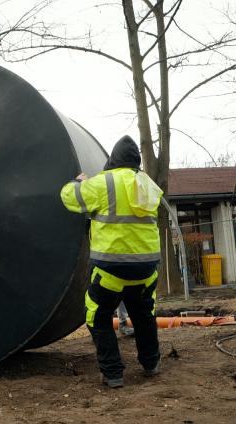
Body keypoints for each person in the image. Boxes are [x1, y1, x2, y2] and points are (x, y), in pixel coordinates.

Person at [60, 135, 163, 388]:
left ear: (113, 160)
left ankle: (114, 373)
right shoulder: (148, 184)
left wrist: (78, 181)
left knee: (97, 316)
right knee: (144, 315)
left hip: (111, 267)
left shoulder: (104, 183)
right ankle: (151, 364)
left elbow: (69, 197)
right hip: (146, 268)